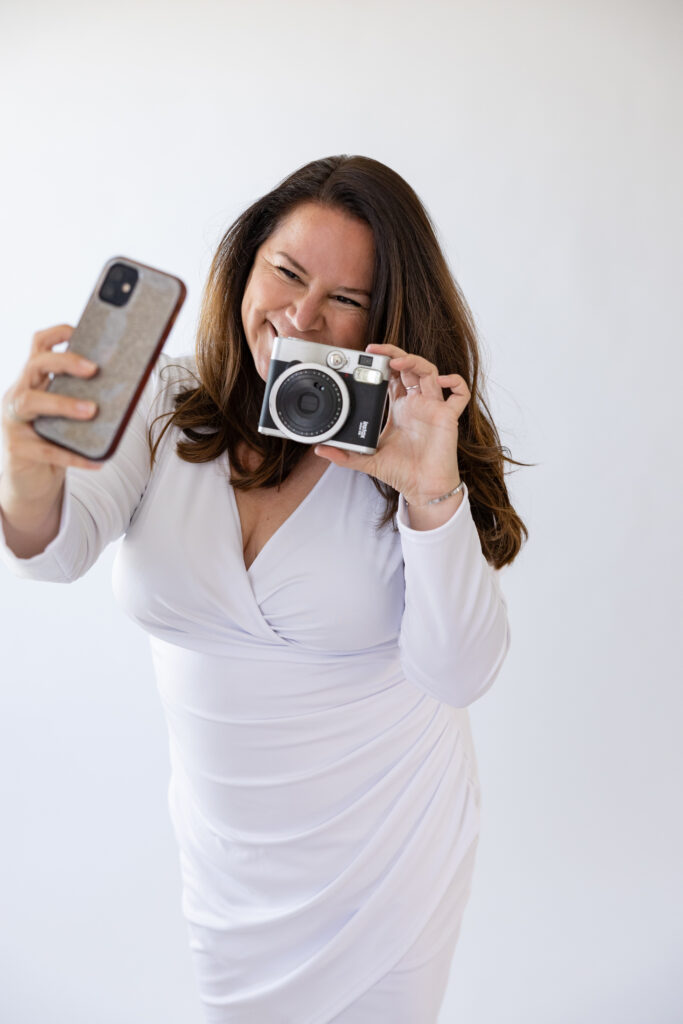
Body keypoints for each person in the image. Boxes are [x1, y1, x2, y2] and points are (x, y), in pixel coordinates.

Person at [0, 155, 528, 1023]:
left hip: (387, 865)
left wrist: (427, 490)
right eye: (285, 273)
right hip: (229, 869)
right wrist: (26, 471)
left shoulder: (405, 437)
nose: (299, 316)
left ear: (381, 321)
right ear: (243, 265)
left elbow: (460, 674)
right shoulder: (168, 403)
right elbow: (51, 553)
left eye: (344, 300)